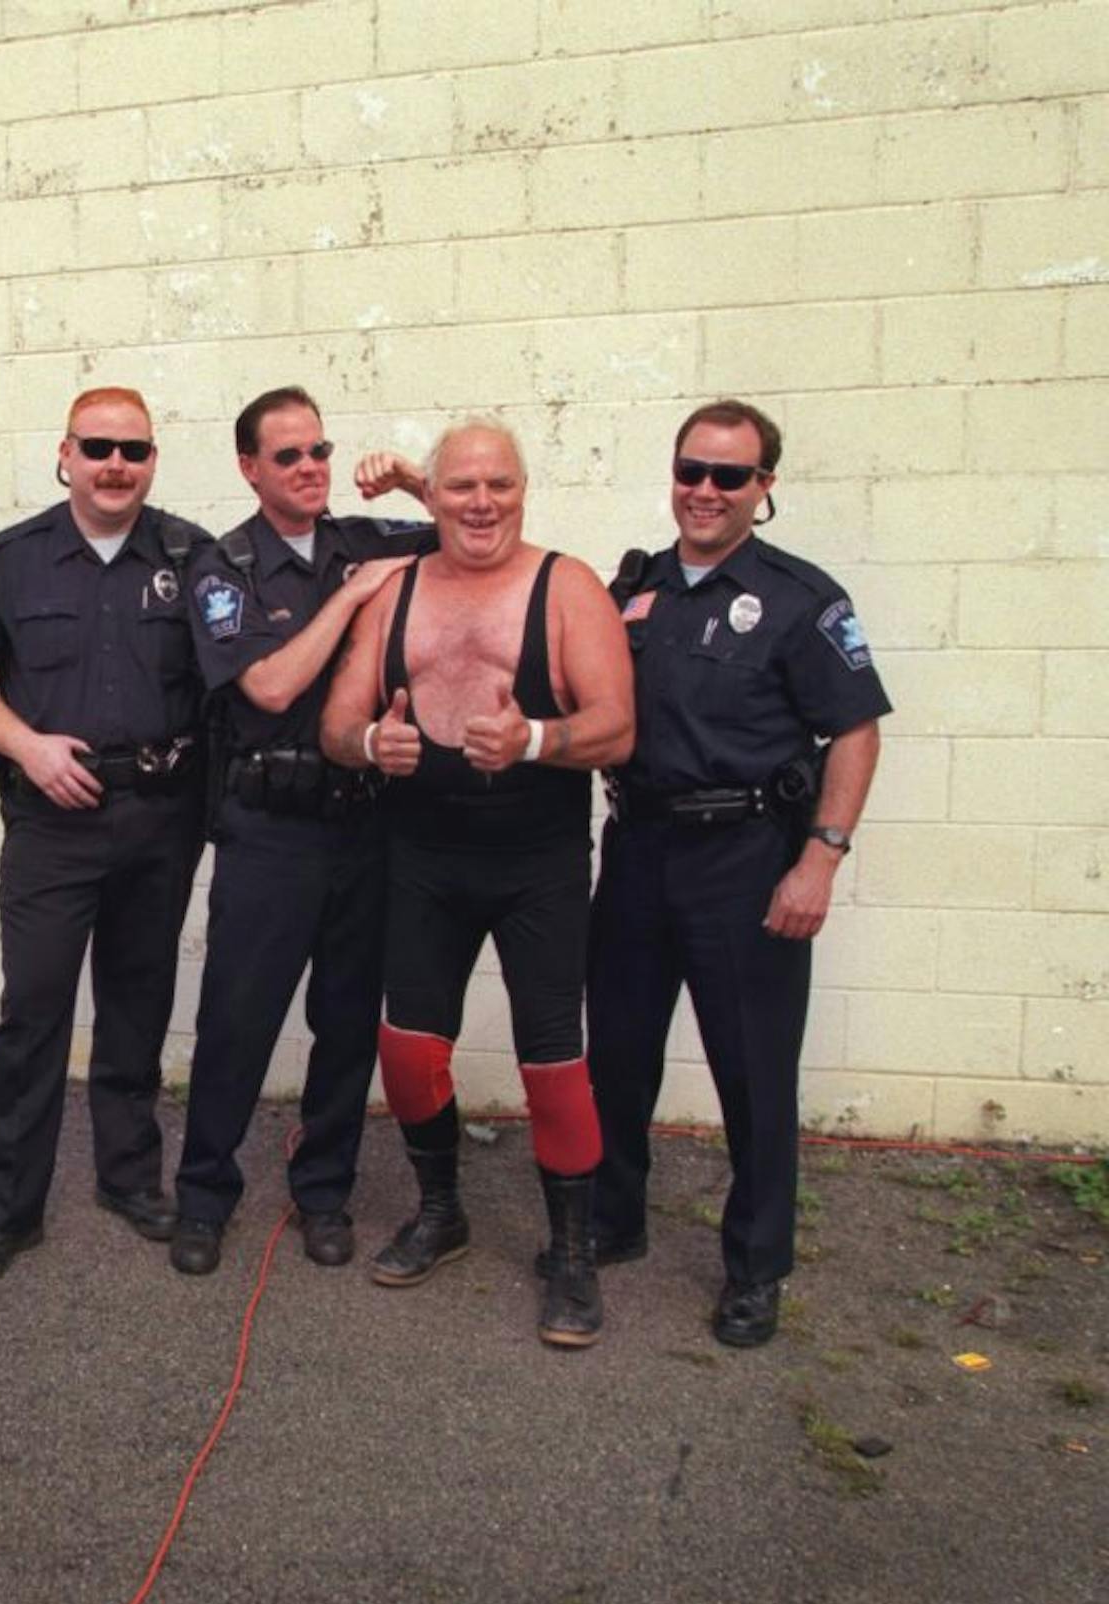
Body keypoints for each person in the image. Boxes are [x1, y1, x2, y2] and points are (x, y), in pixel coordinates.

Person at [322, 419, 633, 1347]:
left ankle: (571, 1254)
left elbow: (618, 725)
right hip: (423, 855)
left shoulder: (564, 585)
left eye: (499, 483)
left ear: (524, 489)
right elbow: (338, 722)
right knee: (409, 1050)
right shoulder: (396, 591)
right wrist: (374, 742)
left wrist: (535, 739)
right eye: (461, 486)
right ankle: (441, 1208)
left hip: (536, 858)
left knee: (553, 1061)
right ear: (436, 493)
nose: (481, 502)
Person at [587, 399, 890, 1349]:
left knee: (753, 1071)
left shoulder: (802, 598)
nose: (704, 492)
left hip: (747, 859)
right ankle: (613, 1216)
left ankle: (756, 1268)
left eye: (729, 476)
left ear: (765, 489)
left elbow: (856, 729)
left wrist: (820, 859)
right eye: (691, 471)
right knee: (619, 1055)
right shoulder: (631, 590)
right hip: (638, 851)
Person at [0, 387, 212, 1285]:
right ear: (66, 453)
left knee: (137, 1007)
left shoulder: (191, 556)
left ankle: (130, 1180)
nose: (116, 464)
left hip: (161, 819)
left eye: (134, 449)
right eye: (99, 447)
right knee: (35, 1013)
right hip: (52, 825)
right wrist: (26, 744)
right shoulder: (12, 561)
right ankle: (9, 1209)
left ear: (153, 459)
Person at [168, 386, 434, 1277]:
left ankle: (325, 1191)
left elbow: (484, 533)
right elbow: (272, 688)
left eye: (321, 451)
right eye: (290, 456)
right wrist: (350, 599)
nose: (313, 468)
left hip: (362, 827)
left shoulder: (364, 537)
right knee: (237, 1022)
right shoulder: (223, 568)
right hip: (268, 832)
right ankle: (205, 1196)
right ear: (250, 468)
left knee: (348, 1023)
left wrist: (418, 482)